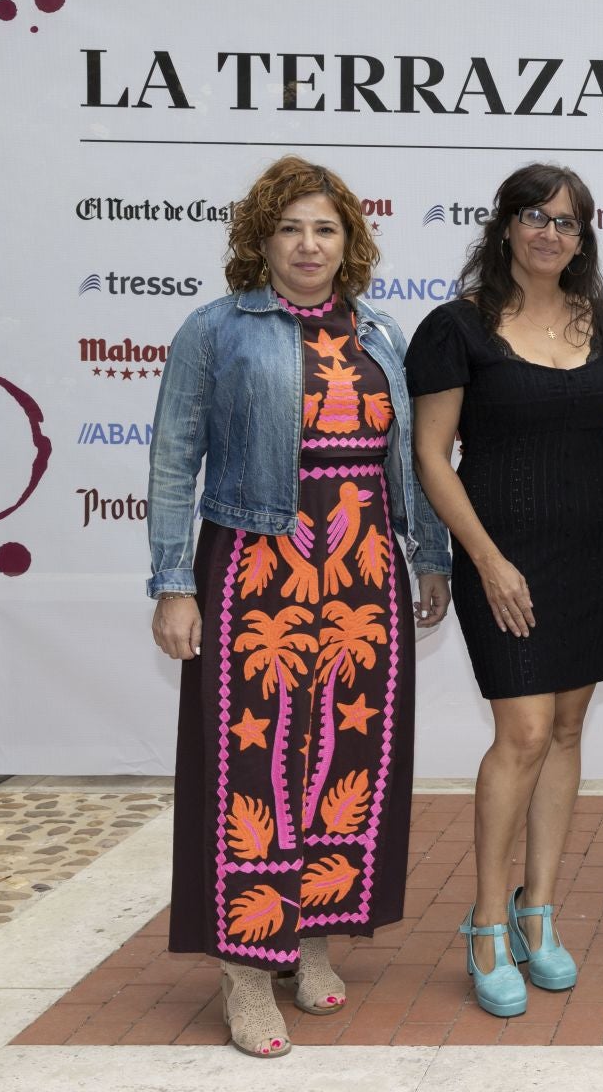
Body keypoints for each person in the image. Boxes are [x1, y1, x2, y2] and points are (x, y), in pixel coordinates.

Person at [146, 155, 452, 1059]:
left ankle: (310, 939)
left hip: (363, 566)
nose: (309, 245)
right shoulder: (215, 330)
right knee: (252, 768)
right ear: (261, 239)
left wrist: (427, 557)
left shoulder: (385, 334)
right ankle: (245, 973)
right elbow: (172, 463)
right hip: (254, 566)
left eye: (325, 228)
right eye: (290, 228)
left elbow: (417, 463)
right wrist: (172, 583)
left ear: (349, 241)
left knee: (342, 755)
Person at [405, 163, 603, 1017]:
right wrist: (485, 560)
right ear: (504, 225)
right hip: (500, 557)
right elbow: (432, 456)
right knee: (526, 729)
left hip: (592, 552)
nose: (551, 232)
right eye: (534, 216)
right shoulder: (455, 328)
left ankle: (537, 913)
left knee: (571, 726)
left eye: (568, 222)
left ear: (584, 238)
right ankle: (483, 922)